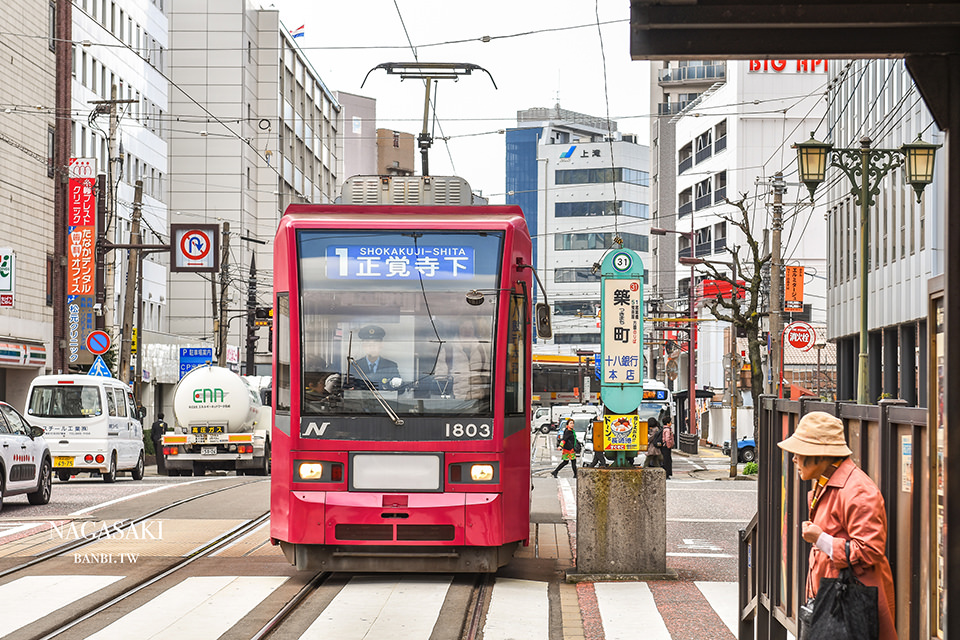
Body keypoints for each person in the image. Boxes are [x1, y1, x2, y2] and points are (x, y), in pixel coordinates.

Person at [778, 411, 897, 640]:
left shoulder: (857, 491)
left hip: (849, 610)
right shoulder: (833, 483)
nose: (794, 459)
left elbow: (870, 550)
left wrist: (821, 539)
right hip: (837, 605)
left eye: (800, 453)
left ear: (821, 454)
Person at [436, 318, 489, 400]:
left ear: (474, 330)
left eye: (470, 328)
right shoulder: (448, 349)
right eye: (464, 328)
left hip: (478, 399)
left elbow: (487, 372)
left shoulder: (480, 348)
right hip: (456, 398)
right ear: (459, 329)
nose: (467, 331)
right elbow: (440, 377)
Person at [353, 325, 401, 390]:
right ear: (363, 345)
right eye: (368, 343)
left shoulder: (391, 366)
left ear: (381, 345)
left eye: (375, 343)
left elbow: (400, 390)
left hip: (384, 400)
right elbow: (348, 389)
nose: (371, 347)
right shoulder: (355, 366)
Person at [659, 411, 675, 478]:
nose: (671, 423)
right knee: (667, 460)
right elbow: (667, 438)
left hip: (664, 447)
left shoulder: (664, 429)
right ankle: (667, 474)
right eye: (670, 422)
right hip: (666, 447)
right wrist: (669, 446)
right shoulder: (667, 430)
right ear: (668, 423)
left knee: (666, 460)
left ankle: (666, 474)